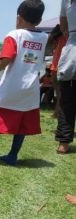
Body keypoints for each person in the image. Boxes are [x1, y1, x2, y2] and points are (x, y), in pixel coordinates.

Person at [0, 0, 48, 165]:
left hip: (12, 86)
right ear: (39, 20)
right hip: (31, 88)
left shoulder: (14, 35)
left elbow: (7, 58)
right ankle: (12, 155)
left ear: (18, 18)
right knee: (23, 122)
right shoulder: (44, 38)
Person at [55, 0, 76, 154]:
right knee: (67, 95)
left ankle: (64, 141)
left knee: (67, 97)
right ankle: (64, 140)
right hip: (73, 44)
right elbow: (63, 25)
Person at [48, 24, 67, 118]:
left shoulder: (55, 39)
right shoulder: (68, 37)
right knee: (64, 94)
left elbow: (53, 51)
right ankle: (58, 113)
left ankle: (56, 113)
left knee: (59, 93)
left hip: (55, 67)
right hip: (65, 67)